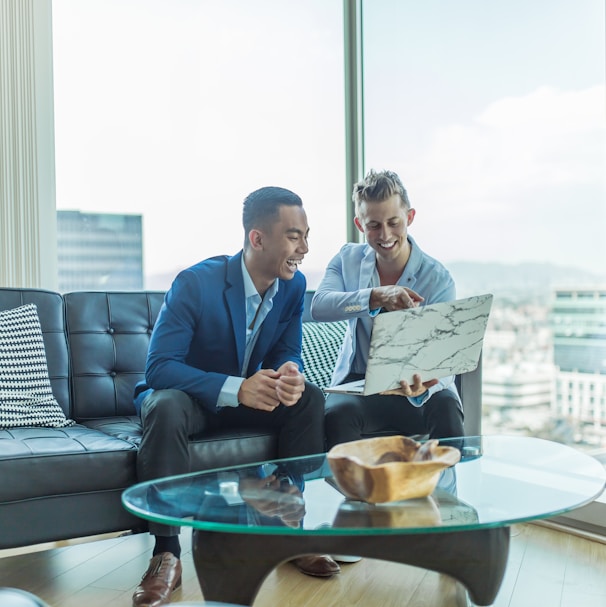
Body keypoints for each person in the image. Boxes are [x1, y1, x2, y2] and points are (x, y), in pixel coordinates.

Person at [132, 186, 338, 607]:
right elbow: (159, 368)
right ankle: (166, 554)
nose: (305, 248)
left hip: (248, 402)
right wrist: (236, 387)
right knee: (165, 405)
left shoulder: (293, 286)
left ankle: (287, 523)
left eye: (306, 234)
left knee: (310, 399)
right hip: (191, 402)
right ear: (257, 238)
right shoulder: (195, 283)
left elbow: (286, 348)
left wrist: (290, 372)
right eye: (294, 236)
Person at [311, 169, 465, 450]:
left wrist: (426, 383)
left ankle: (446, 492)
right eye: (374, 225)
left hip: (417, 388)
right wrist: (375, 297)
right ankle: (354, 494)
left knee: (446, 408)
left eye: (394, 222)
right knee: (337, 414)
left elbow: (446, 358)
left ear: (410, 217)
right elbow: (320, 306)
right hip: (360, 386)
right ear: (360, 224)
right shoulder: (347, 260)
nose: (385, 235)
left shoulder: (438, 278)